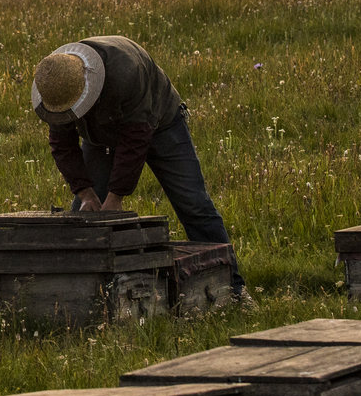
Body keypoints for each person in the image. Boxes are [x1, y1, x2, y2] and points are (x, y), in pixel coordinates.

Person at [31, 34, 243, 290]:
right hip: (99, 136)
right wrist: (85, 192)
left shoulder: (126, 72)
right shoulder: (55, 81)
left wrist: (116, 195)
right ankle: (88, 296)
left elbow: (136, 139)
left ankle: (233, 288)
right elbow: (62, 145)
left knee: (194, 204)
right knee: (85, 216)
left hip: (161, 125)